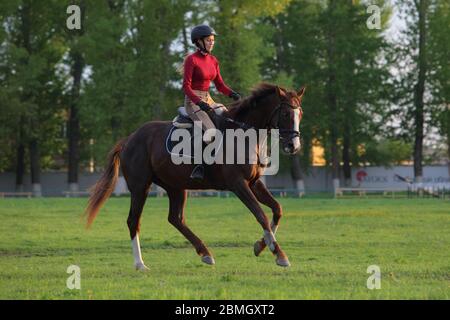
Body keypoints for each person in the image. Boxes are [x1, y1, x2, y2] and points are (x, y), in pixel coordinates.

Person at [182, 24, 241, 180]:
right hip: (193, 101)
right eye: (209, 40)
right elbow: (186, 87)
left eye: (213, 40)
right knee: (211, 131)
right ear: (199, 41)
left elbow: (220, 85)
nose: (212, 43)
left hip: (208, 98)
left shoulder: (213, 60)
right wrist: (198, 102)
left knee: (230, 120)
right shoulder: (191, 60)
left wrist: (232, 93)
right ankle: (199, 166)